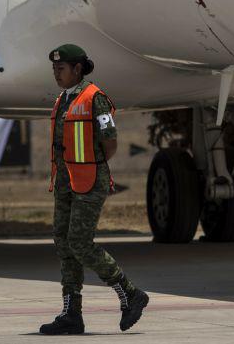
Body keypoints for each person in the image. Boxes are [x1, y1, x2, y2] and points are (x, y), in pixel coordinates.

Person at [40, 43, 149, 335]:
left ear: (77, 69)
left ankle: (129, 293)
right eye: (54, 69)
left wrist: (90, 165)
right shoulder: (63, 99)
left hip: (89, 180)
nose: (56, 74)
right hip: (65, 181)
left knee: (79, 242)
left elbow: (109, 143)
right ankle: (71, 313)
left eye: (61, 69)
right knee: (63, 242)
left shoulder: (95, 99)